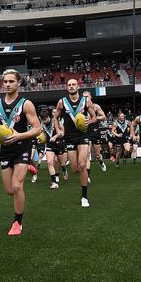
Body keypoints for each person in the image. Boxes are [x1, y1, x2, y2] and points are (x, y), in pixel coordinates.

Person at [0, 69, 41, 236]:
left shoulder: (26, 104)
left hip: (22, 147)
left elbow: (37, 129)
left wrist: (19, 135)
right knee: (9, 190)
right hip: (6, 150)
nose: (8, 84)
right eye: (5, 81)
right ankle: (30, 168)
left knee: (17, 186)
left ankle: (17, 222)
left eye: (11, 81)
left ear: (18, 83)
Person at [54, 79, 97, 208]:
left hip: (83, 135)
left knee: (82, 164)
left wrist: (90, 121)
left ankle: (84, 196)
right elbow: (55, 117)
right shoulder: (62, 102)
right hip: (69, 137)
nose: (71, 86)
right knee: (74, 169)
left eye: (73, 84)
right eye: (69, 85)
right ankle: (83, 175)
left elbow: (94, 117)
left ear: (78, 86)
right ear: (67, 88)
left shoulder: (86, 101)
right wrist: (58, 130)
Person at [82, 91, 107, 182]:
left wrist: (93, 118)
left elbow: (103, 117)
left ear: (90, 96)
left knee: (97, 155)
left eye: (87, 96)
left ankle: (101, 161)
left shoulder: (96, 106)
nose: (85, 98)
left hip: (95, 131)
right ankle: (87, 176)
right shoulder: (81, 107)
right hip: (85, 132)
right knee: (87, 154)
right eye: (84, 97)